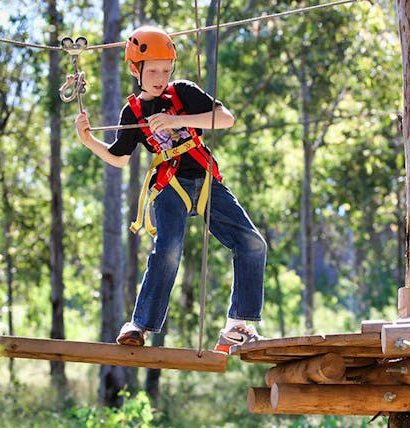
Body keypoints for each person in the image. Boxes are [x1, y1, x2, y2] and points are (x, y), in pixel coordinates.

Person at [74, 26, 266, 353]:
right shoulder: (132, 112)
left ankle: (237, 325)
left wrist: (176, 121)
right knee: (168, 250)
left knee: (253, 243)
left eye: (166, 69)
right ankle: (140, 325)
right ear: (136, 70)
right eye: (152, 71)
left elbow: (226, 119)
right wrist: (88, 139)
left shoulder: (183, 93)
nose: (160, 77)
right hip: (169, 186)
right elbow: (119, 159)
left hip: (205, 180)